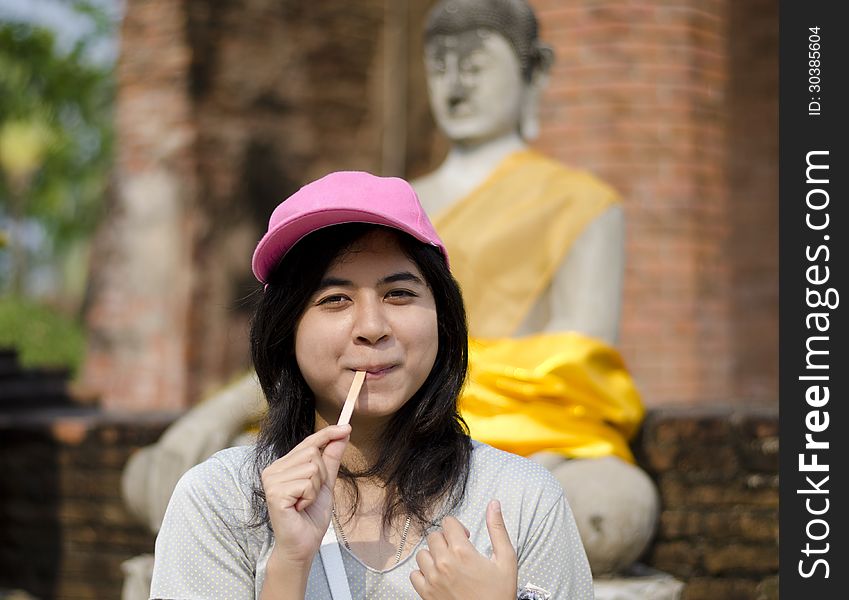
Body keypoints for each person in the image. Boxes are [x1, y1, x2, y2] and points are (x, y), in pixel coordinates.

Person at [149, 171, 594, 599]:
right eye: (335, 299)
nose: (372, 327)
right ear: (286, 332)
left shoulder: (522, 500)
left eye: (399, 294)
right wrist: (288, 565)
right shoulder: (221, 501)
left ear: (444, 318)